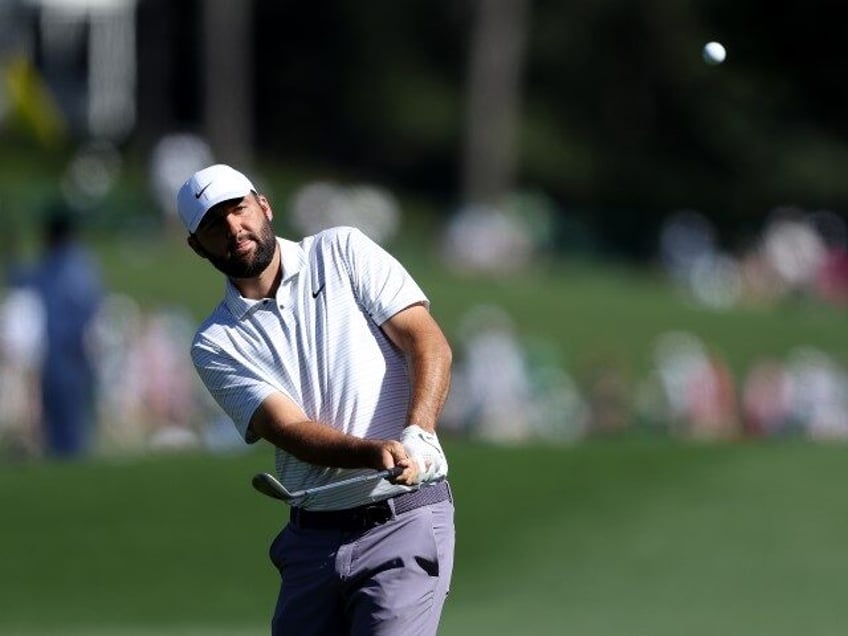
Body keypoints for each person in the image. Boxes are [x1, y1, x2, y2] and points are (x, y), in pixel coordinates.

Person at [177, 164, 455, 635]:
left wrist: (419, 434)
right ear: (197, 245)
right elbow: (288, 430)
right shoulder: (215, 342)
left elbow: (426, 342)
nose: (232, 228)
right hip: (312, 542)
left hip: (401, 518)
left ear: (263, 205)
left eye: (238, 209)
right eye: (212, 224)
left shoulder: (341, 251)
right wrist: (370, 451)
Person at [32, 204, 104, 458]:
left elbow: (87, 309)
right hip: (54, 354)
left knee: (71, 422)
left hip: (73, 353)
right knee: (54, 418)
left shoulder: (73, 265)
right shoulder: (53, 263)